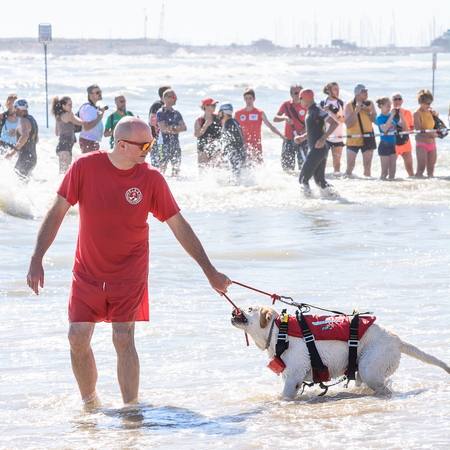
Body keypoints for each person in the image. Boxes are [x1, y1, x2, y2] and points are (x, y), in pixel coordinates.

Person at [26, 117, 231, 406]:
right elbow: (57, 210)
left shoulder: (151, 179)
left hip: (129, 273)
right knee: (76, 336)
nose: (150, 148)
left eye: (152, 142)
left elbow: (179, 226)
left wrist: (210, 271)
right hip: (88, 272)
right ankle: (90, 405)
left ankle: (130, 410)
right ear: (122, 145)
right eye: (145, 144)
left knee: (123, 337)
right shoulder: (84, 167)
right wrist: (37, 258)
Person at [294, 89, 338, 196]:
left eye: (300, 98)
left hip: (318, 149)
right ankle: (337, 197)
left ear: (307, 99)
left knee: (303, 179)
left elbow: (334, 123)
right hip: (318, 149)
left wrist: (323, 139)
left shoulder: (317, 110)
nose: (299, 101)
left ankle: (308, 205)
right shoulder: (310, 110)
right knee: (319, 181)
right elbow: (314, 129)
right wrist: (303, 137)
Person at [234, 88, 285, 166]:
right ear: (244, 99)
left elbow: (270, 125)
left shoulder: (259, 113)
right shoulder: (238, 113)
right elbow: (232, 128)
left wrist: (280, 135)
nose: (248, 101)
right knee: (243, 168)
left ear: (254, 99)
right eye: (246, 98)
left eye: (250, 98)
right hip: (242, 146)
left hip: (256, 146)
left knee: (258, 167)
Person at [344, 84, 377, 177]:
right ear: (357, 94)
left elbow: (376, 122)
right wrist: (356, 111)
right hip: (353, 138)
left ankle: (366, 186)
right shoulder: (349, 105)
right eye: (363, 91)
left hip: (368, 136)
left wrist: (368, 112)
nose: (366, 93)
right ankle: (348, 184)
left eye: (366, 91)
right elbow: (348, 124)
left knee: (367, 166)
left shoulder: (370, 103)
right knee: (350, 165)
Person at [274, 83, 308, 171]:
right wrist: (285, 118)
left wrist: (301, 134)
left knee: (304, 167)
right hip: (288, 139)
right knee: (286, 169)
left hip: (302, 139)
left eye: (300, 93)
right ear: (291, 94)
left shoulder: (306, 105)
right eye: (296, 93)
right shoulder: (286, 104)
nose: (298, 95)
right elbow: (275, 118)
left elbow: (309, 124)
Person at [4, 99, 39, 180]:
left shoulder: (24, 121)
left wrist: (13, 151)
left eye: (14, 108)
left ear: (19, 109)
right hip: (32, 157)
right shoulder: (32, 120)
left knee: (18, 182)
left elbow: (25, 135)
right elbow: (36, 139)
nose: (13, 110)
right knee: (24, 183)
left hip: (25, 157)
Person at [156, 89, 187, 177]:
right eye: (173, 97)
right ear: (166, 98)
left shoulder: (176, 113)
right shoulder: (160, 112)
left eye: (176, 97)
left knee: (176, 169)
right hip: (164, 144)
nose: (175, 99)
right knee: (162, 168)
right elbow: (164, 129)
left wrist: (173, 128)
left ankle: (175, 185)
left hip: (176, 144)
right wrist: (177, 128)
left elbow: (184, 128)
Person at [375, 97, 407, 180]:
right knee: (385, 172)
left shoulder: (391, 115)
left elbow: (403, 126)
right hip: (384, 144)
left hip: (392, 144)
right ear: (381, 106)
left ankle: (391, 189)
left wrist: (401, 116)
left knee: (393, 172)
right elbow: (384, 129)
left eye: (390, 106)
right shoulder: (379, 117)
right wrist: (391, 116)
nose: (390, 108)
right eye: (388, 106)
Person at [51, 96, 84, 174]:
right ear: (63, 106)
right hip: (64, 147)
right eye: (69, 104)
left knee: (64, 173)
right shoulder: (67, 115)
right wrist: (72, 114)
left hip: (63, 146)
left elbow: (57, 133)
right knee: (65, 174)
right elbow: (81, 122)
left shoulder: (59, 116)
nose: (71, 106)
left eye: (71, 104)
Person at [320, 83, 346, 173]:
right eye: (335, 89)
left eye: (338, 89)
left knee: (337, 164)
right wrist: (324, 110)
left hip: (338, 136)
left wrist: (335, 114)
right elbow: (318, 120)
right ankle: (322, 180)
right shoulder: (322, 103)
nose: (337, 91)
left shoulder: (342, 103)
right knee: (322, 162)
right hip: (325, 136)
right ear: (328, 91)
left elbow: (344, 120)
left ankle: (337, 182)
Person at [413, 89, 439, 178]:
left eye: (430, 103)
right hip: (422, 144)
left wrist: (436, 115)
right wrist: (431, 135)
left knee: (431, 169)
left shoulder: (431, 112)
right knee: (421, 168)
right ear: (421, 102)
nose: (429, 105)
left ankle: (430, 189)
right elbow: (418, 129)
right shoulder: (416, 113)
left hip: (432, 144)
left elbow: (436, 125)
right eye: (427, 103)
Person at [218, 103, 247, 181]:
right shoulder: (234, 121)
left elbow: (229, 142)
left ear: (224, 112)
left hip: (235, 155)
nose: (218, 113)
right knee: (235, 177)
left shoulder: (228, 125)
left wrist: (222, 156)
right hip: (240, 153)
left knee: (231, 179)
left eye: (219, 111)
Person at [194, 98, 222, 171]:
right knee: (203, 172)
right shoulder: (199, 120)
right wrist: (205, 126)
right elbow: (196, 134)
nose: (215, 106)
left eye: (215, 105)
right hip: (203, 149)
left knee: (218, 171)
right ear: (206, 107)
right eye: (212, 105)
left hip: (216, 148)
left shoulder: (218, 117)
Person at [391, 92, 414, 177]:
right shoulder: (389, 113)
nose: (397, 101)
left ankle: (412, 184)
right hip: (394, 143)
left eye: (399, 99)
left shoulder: (407, 112)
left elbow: (412, 126)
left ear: (402, 101)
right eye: (395, 99)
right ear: (391, 101)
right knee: (391, 169)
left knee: (410, 168)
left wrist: (409, 130)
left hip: (405, 141)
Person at [79, 84, 106, 153]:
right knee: (89, 164)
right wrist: (99, 118)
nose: (100, 94)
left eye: (100, 92)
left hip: (92, 141)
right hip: (88, 140)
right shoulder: (88, 108)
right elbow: (86, 127)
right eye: (97, 93)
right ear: (90, 95)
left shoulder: (93, 107)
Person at [148, 85, 170, 167]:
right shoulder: (157, 105)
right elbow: (152, 121)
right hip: (156, 139)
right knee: (157, 164)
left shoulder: (167, 107)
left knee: (164, 164)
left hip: (164, 140)